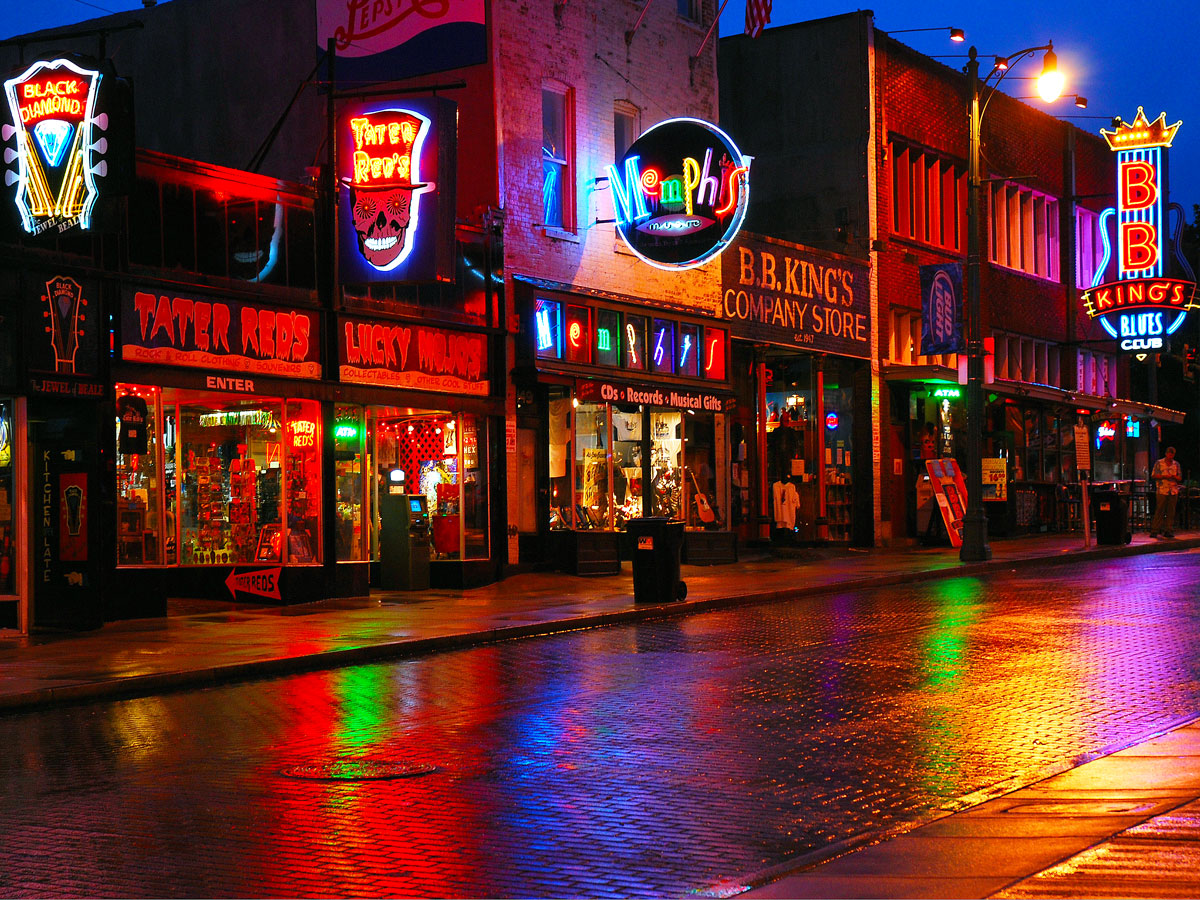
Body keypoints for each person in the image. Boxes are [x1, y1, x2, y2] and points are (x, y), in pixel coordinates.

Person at [1148, 446, 1183, 538]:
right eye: (1169, 453)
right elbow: (1153, 475)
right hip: (1162, 490)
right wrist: (1164, 476)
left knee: (1171, 511)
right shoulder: (1159, 463)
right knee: (1160, 510)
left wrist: (1175, 477)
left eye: (1172, 454)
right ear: (1166, 453)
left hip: (1173, 490)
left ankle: (1168, 530)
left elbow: (1180, 477)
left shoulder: (1176, 464)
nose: (1170, 455)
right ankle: (1155, 530)